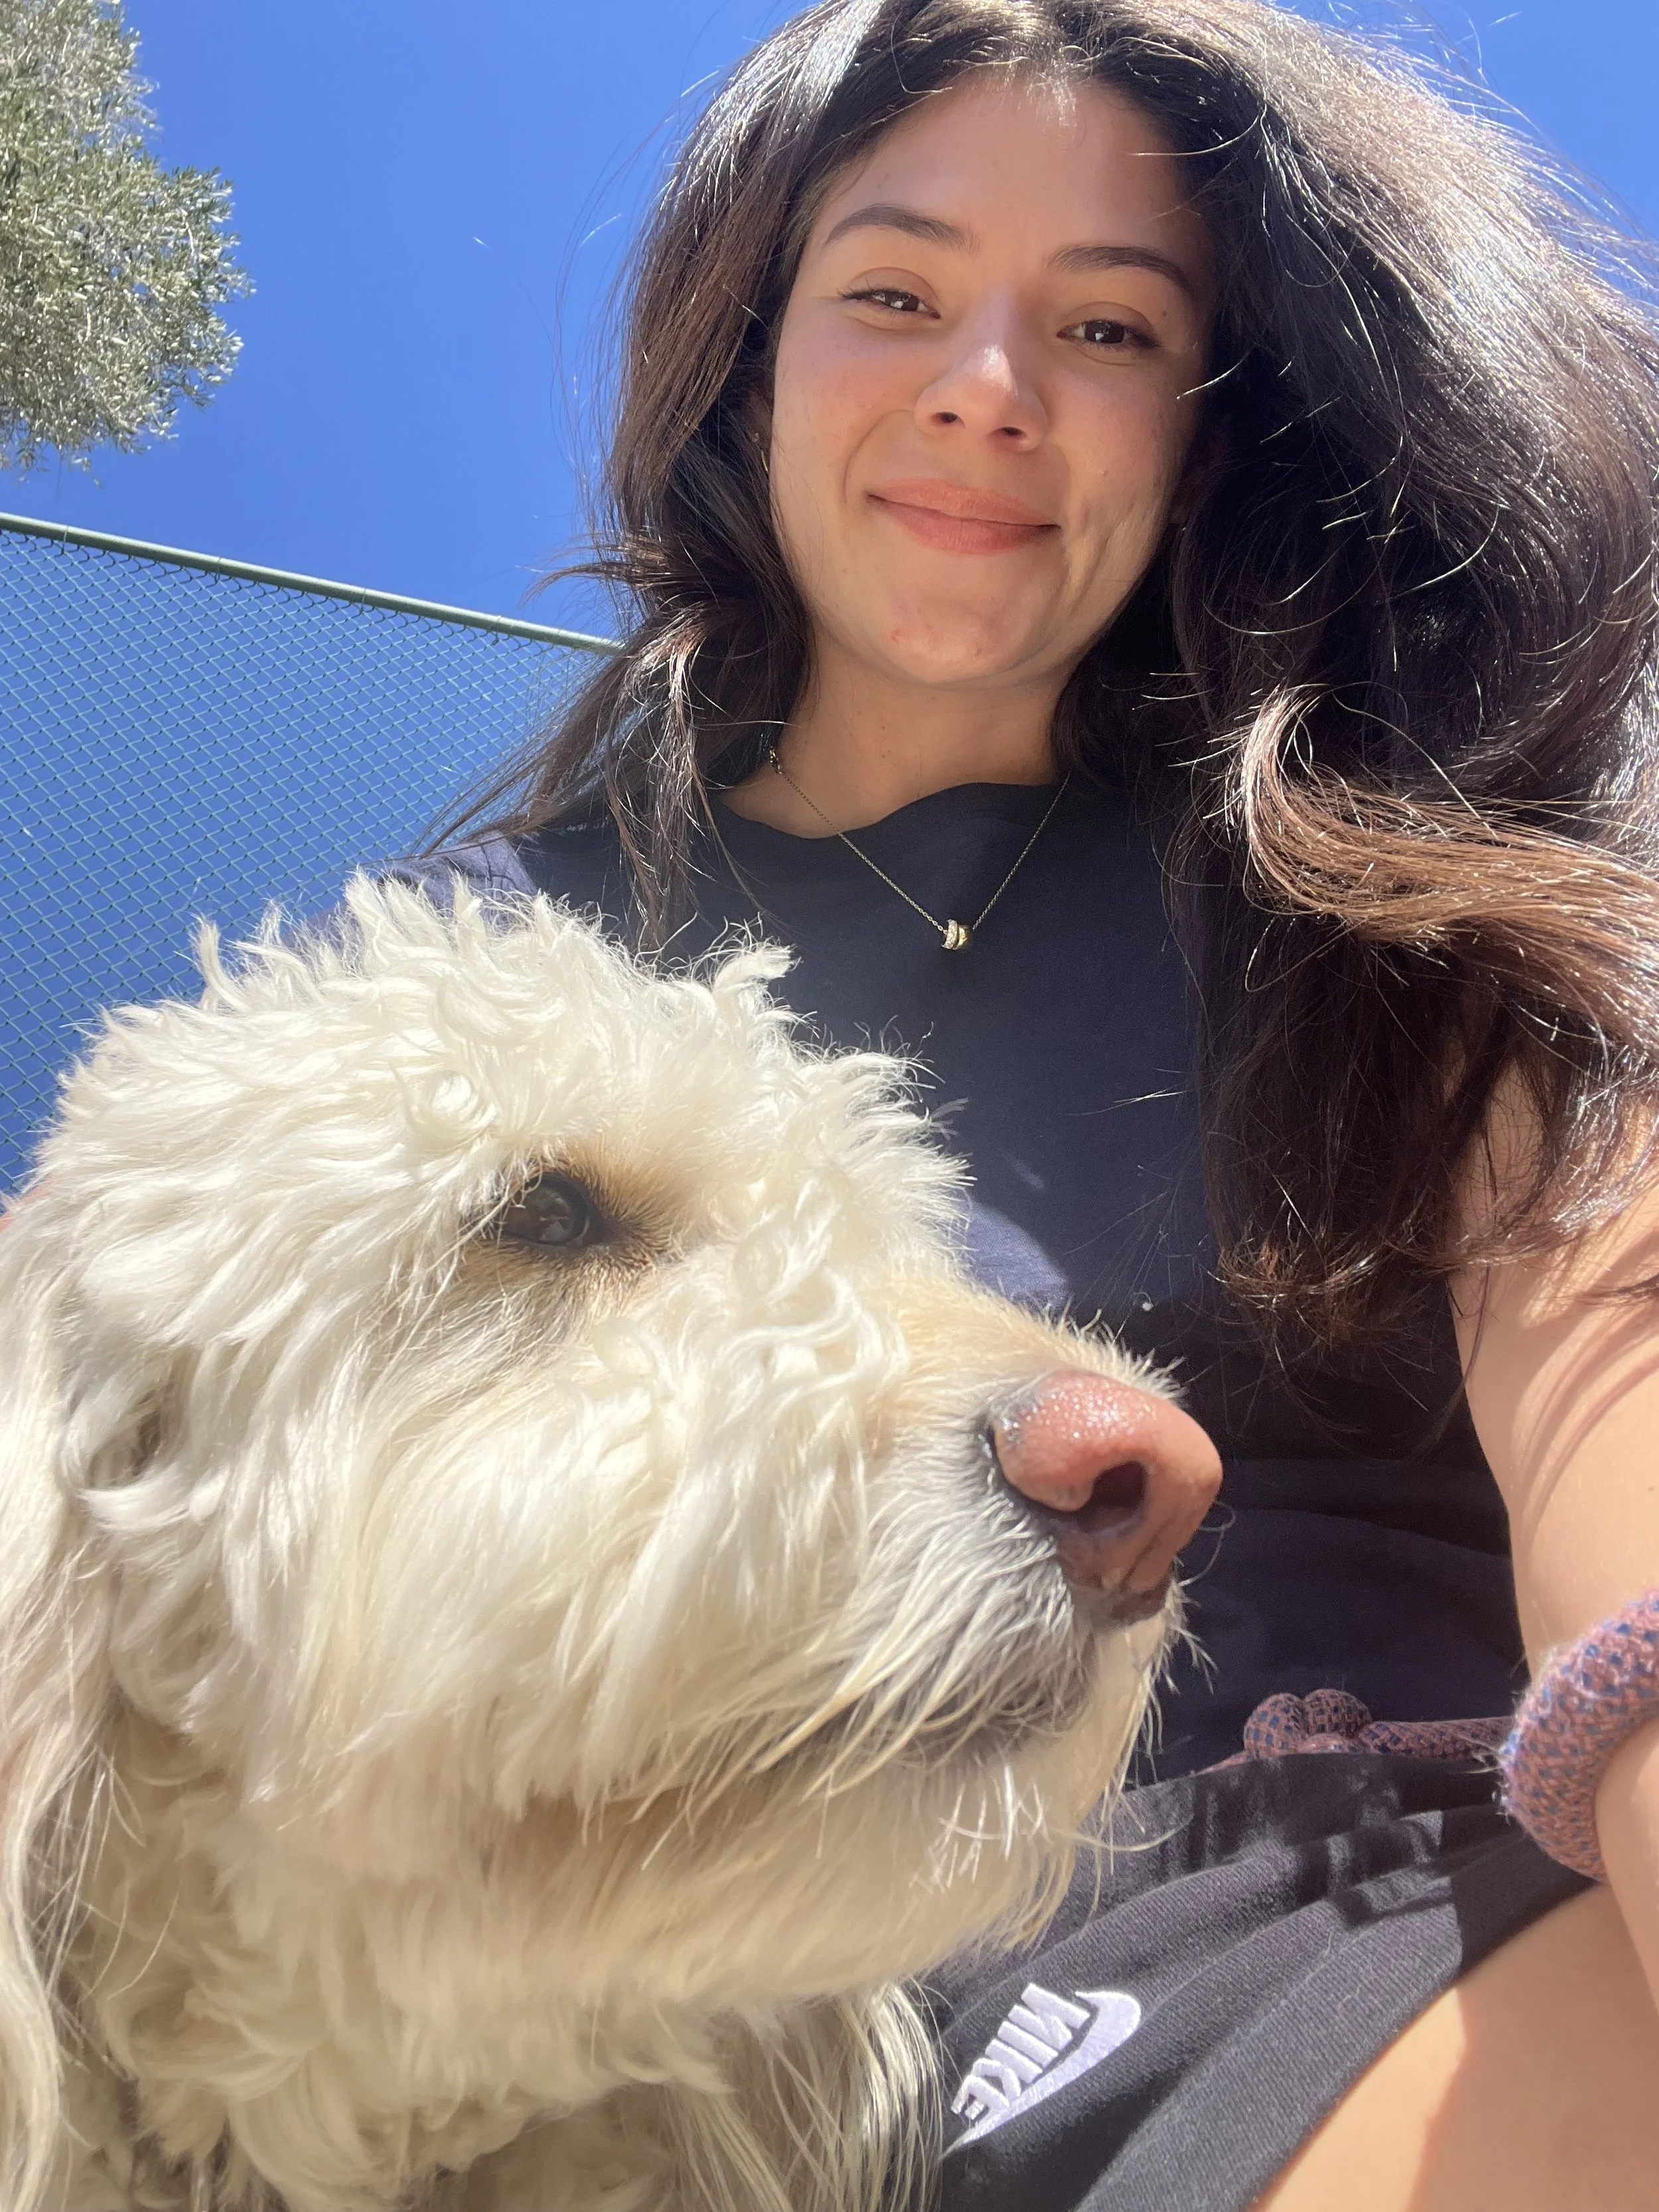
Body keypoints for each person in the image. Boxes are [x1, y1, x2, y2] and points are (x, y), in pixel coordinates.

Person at [397, 1, 1659, 2203]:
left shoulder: (1395, 866)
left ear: (1203, 426)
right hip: (718, 1933)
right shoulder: (480, 949)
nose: (988, 382)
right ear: (747, 353)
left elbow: (1613, 1373)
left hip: (1346, 1839)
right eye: (893, 291)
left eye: (1105, 324)